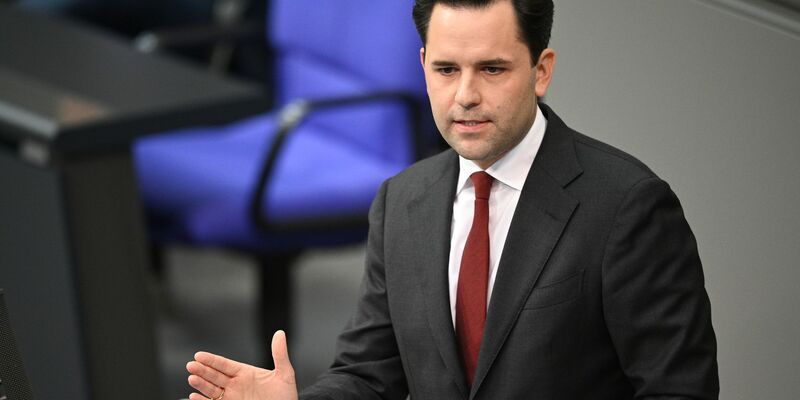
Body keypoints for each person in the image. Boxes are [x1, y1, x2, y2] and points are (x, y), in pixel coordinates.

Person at [185, 0, 720, 399]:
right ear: (422, 66)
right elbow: (369, 375)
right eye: (446, 70)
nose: (465, 95)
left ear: (541, 71)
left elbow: (678, 391)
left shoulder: (629, 208)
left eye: (492, 69)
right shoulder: (401, 201)